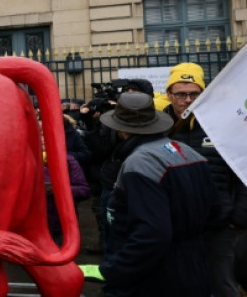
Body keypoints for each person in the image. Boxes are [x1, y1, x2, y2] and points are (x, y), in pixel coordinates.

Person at [99, 92, 218, 296]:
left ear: (121, 130)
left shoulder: (141, 162)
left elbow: (152, 234)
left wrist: (113, 271)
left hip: (153, 278)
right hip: (193, 267)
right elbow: (215, 211)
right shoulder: (187, 151)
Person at [164, 62, 247, 297]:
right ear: (169, 95)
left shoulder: (222, 125)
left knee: (223, 285)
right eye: (181, 94)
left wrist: (237, 217)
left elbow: (242, 168)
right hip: (175, 227)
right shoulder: (160, 127)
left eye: (194, 94)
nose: (187, 100)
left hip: (220, 226)